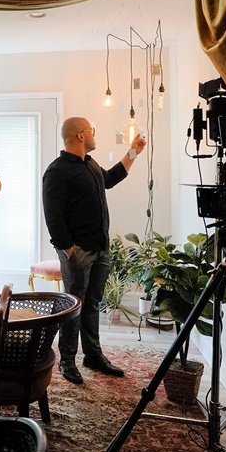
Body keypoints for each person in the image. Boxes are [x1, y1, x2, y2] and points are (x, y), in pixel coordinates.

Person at [42, 116, 147, 384]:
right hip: (78, 252)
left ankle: (93, 355)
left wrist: (133, 152)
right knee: (73, 307)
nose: (94, 135)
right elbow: (53, 216)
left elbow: (110, 179)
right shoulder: (57, 171)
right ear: (80, 135)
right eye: (92, 130)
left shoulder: (91, 165)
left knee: (93, 304)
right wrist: (67, 250)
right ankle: (67, 360)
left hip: (101, 249)